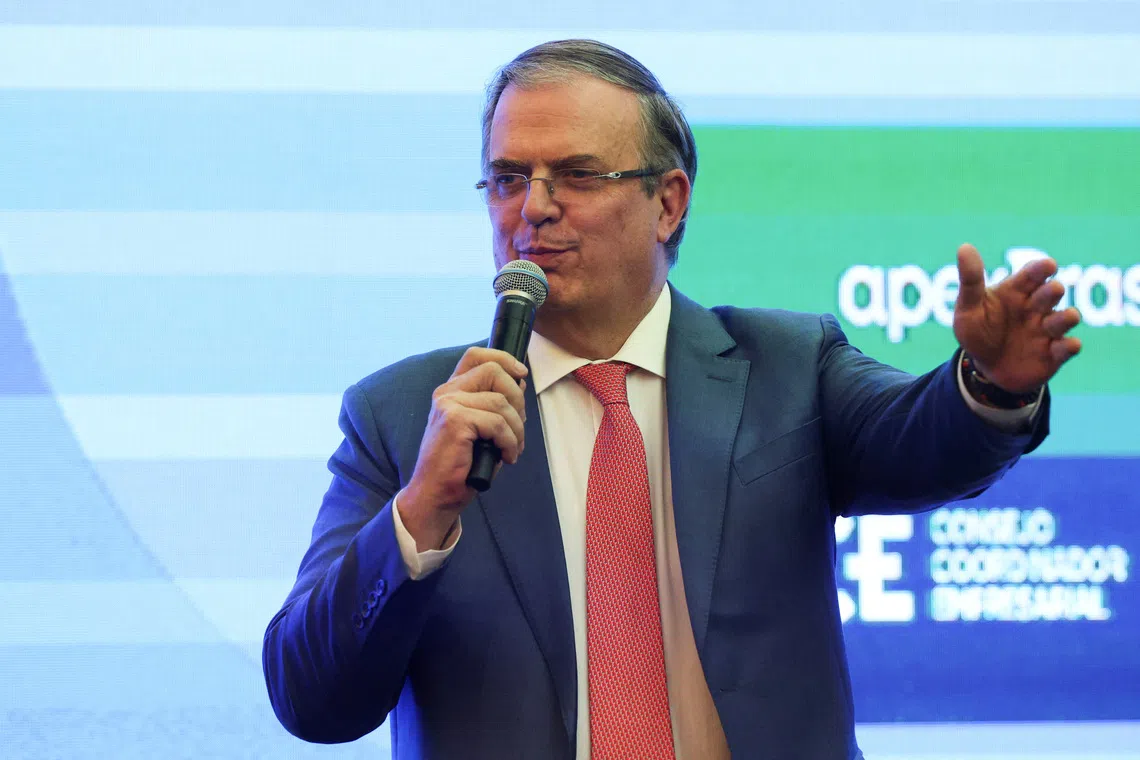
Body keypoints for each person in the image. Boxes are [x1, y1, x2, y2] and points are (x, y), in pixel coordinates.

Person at [262, 39, 1081, 760]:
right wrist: (418, 515)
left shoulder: (787, 367)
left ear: (669, 202)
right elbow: (310, 700)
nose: (533, 207)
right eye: (509, 178)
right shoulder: (406, 417)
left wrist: (989, 384)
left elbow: (921, 441)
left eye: (576, 174)